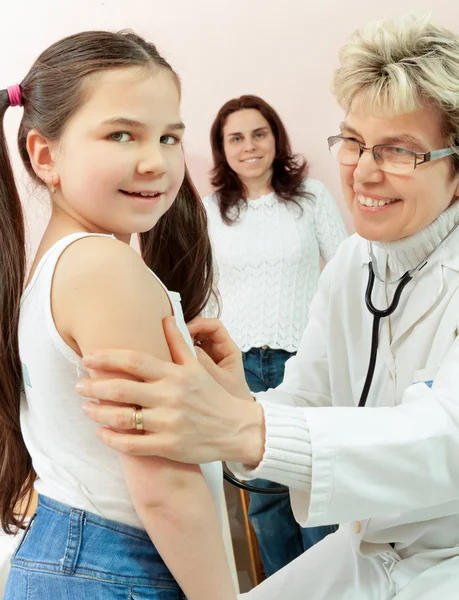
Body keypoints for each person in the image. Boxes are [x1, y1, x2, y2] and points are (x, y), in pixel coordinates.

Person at [79, 13, 459, 599]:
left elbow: (442, 440)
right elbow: (308, 397)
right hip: (374, 551)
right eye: (353, 142)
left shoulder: (315, 212)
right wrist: (237, 402)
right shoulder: (356, 265)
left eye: (400, 151)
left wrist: (245, 426)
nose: (362, 169)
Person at [0, 31, 237, 600]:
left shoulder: (60, 266)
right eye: (121, 134)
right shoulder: (103, 267)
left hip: (75, 558)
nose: (155, 161)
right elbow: (164, 490)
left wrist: (233, 402)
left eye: (170, 136)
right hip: (118, 567)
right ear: (45, 155)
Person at [202, 94, 345, 575]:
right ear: (222, 150)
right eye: (235, 138)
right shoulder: (210, 210)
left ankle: (330, 585)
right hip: (237, 367)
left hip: (304, 361)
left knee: (314, 482)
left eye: (258, 134)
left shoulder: (311, 197)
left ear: (275, 138)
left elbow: (345, 272)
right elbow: (203, 292)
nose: (249, 146)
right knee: (263, 495)